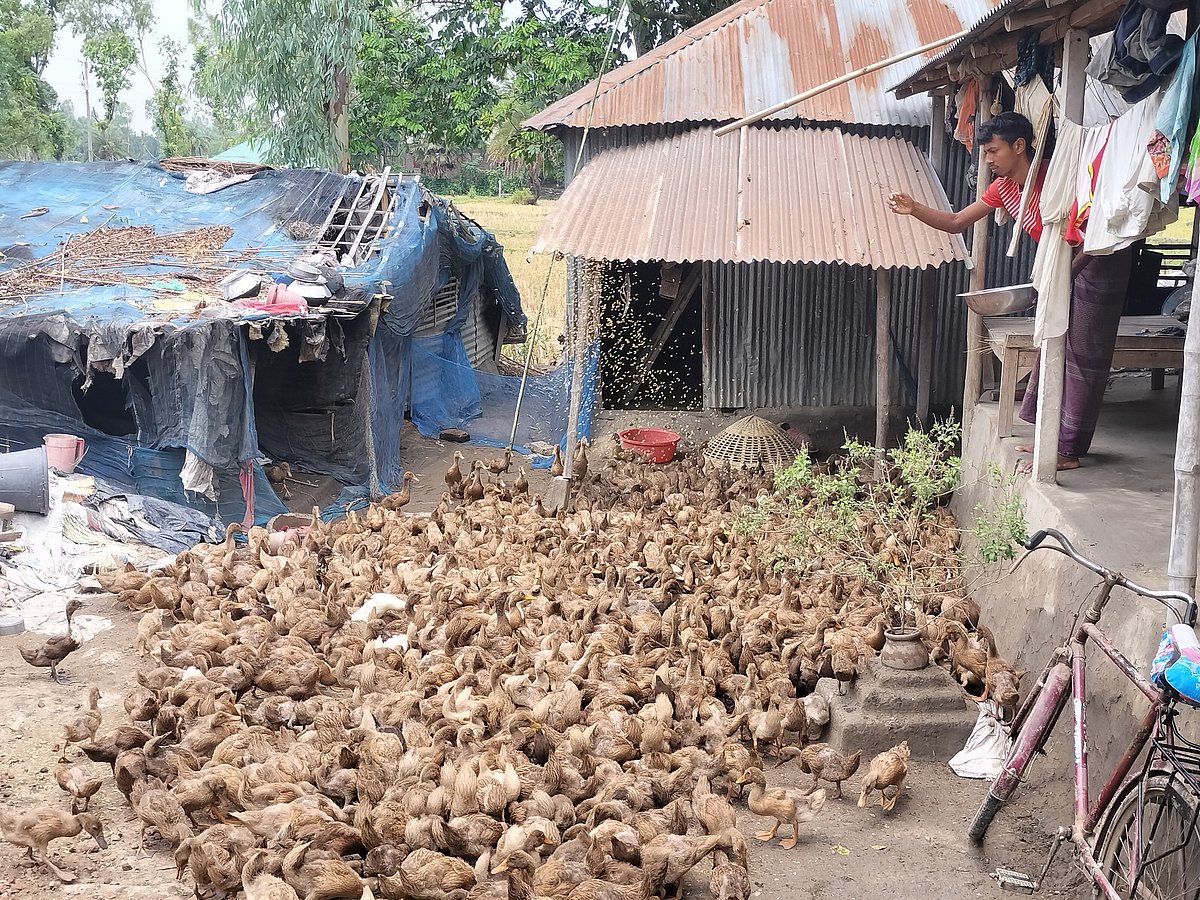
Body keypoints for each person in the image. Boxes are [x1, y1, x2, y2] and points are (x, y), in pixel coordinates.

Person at [887, 111, 1133, 472]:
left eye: (992, 151)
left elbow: (1094, 231)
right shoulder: (1003, 188)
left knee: (1083, 356)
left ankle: (1068, 450)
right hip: (1063, 268)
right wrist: (914, 209)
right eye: (985, 152)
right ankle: (1051, 436)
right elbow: (957, 221)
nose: (987, 159)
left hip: (1099, 262)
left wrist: (1062, 276)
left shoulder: (1056, 174)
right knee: (1053, 342)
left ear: (1019, 146)